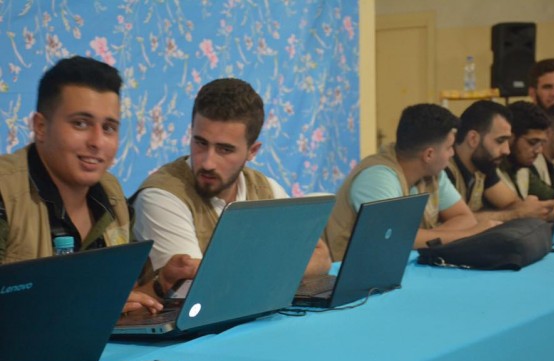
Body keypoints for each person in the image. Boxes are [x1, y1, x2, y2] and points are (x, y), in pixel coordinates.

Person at [132, 78, 331, 298]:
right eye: (200, 143)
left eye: (224, 149)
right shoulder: (162, 195)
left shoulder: (266, 190)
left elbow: (321, 257)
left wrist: (246, 272)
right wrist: (277, 267)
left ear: (252, 151)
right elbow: (195, 290)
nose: (208, 162)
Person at [0, 56, 162, 314]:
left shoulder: (111, 193)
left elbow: (129, 295)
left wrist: (164, 284)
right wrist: (89, 306)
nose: (97, 141)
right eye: (81, 124)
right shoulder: (5, 192)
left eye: (108, 128)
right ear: (40, 127)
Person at [323, 103, 498, 261]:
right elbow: (391, 239)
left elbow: (465, 218)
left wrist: (422, 237)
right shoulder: (377, 177)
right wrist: (470, 235)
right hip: (346, 276)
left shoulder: (433, 173)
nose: (452, 154)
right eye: (449, 147)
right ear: (429, 154)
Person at [446, 100, 554, 222]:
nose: (507, 150)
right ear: (473, 139)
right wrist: (517, 214)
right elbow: (453, 221)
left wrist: (535, 209)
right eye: (500, 141)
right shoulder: (444, 168)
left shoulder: (483, 165)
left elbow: (510, 203)